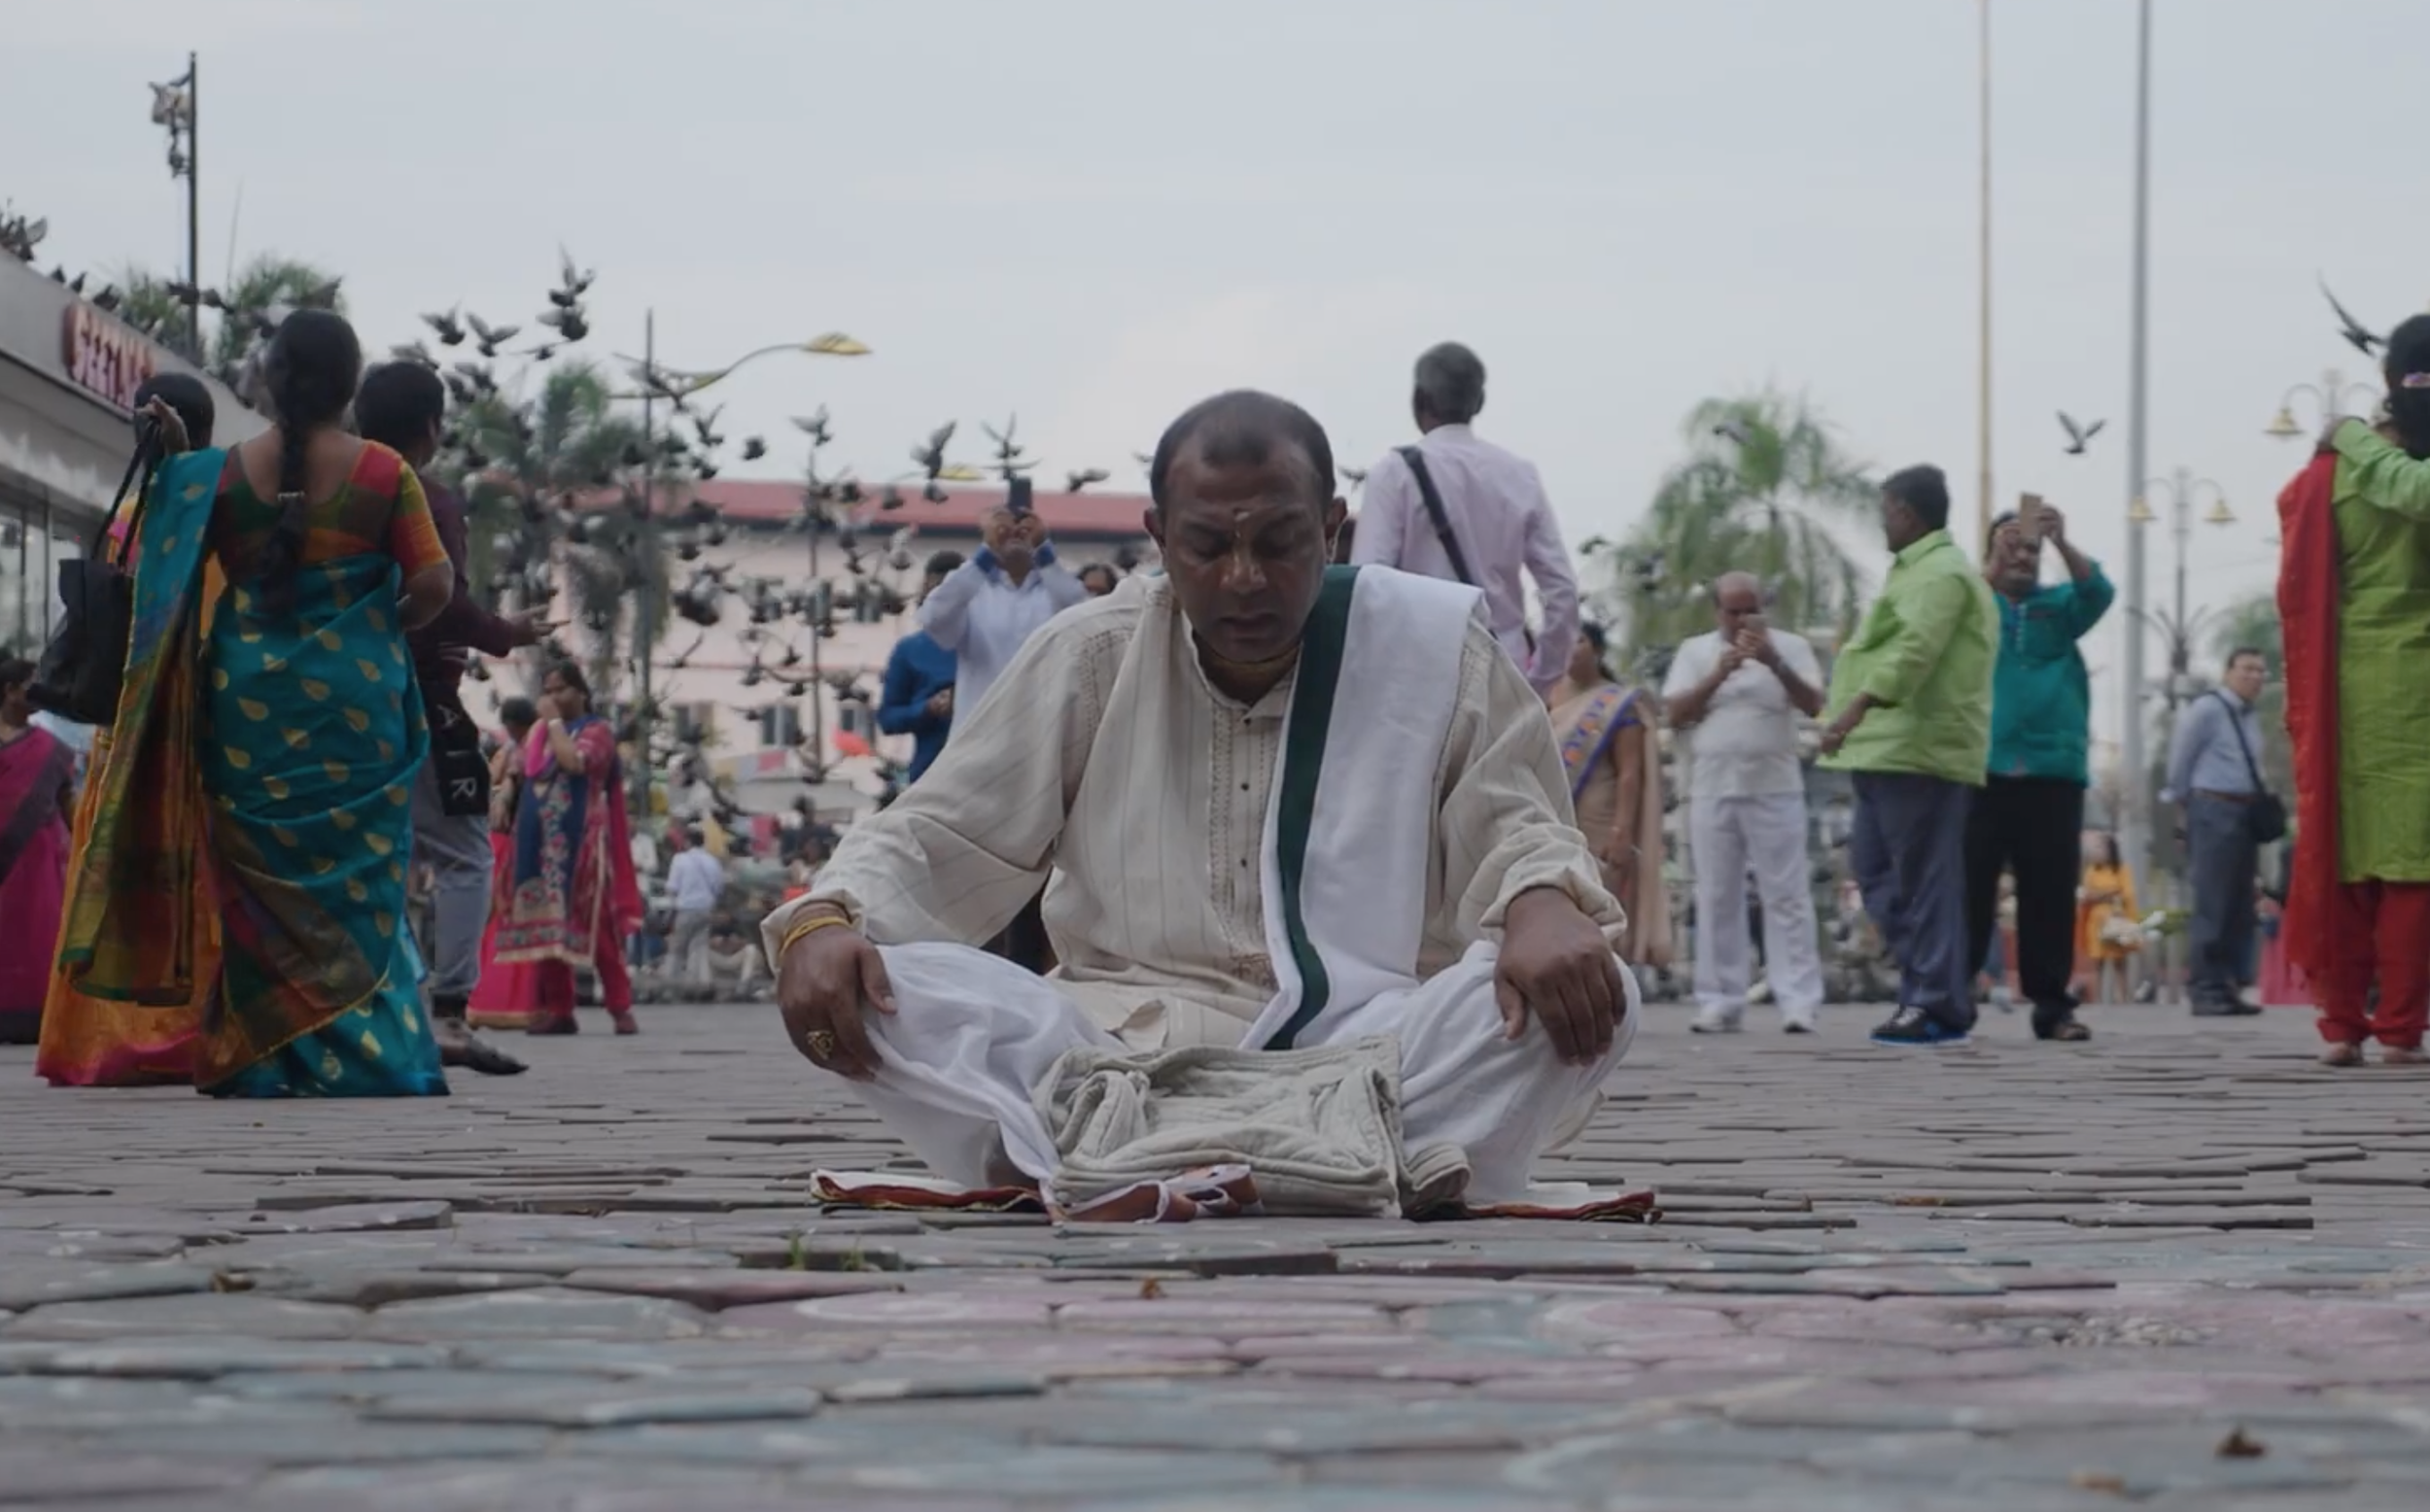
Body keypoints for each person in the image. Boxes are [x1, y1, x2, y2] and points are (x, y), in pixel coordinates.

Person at [765, 390, 1635, 1207]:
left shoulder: (1436, 652)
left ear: (1334, 532)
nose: (1245, 578)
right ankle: (1336, 1166)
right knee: (895, 996)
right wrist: (826, 920)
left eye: (1280, 543)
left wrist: (1541, 900)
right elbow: (941, 825)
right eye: (1210, 547)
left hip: (1370, 1052)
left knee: (1594, 992)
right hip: (1113, 1054)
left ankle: (1116, 1164)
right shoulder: (1090, 653)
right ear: (1160, 538)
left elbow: (1517, 825)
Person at [59, 310, 455, 1097]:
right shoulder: (384, 473)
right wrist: (378, 623)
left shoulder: (225, 475)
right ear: (350, 386)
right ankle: (374, 1054)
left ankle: (260, 1055)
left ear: (271, 382)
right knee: (360, 884)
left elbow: (167, 563)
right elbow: (435, 586)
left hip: (247, 708)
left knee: (253, 886)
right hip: (359, 706)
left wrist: (177, 460)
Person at [356, 361, 541, 1076]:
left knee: (379, 851)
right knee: (464, 854)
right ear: (433, 426)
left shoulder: (326, 494)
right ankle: (448, 1015)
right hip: (421, 697)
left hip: (332, 696)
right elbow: (442, 598)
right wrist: (504, 632)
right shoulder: (425, 499)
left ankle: (382, 1003)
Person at [36, 372, 220, 1086]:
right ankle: (194, 1028)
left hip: (130, 725)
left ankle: (106, 1036)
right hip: (205, 725)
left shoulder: (133, 518)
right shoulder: (226, 510)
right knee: (202, 869)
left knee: (117, 862)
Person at [2281, 314, 2430, 1067]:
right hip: (2420, 689)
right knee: (2412, 861)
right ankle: (2402, 1030)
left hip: (2346, 685)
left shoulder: (2330, 475)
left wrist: (2347, 436)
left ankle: (2341, 1025)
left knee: (2343, 850)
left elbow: (2295, 547)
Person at [1817, 464, 1997, 1048]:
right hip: (1886, 750)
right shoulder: (1916, 572)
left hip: (1919, 748)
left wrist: (1852, 710)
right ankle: (1934, 989)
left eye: (1885, 512)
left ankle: (1936, 1003)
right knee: (1875, 873)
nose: (1881, 524)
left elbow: (1916, 652)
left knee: (1922, 883)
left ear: (1906, 513)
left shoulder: (1940, 574)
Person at [1351, 342, 1579, 696]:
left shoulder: (1393, 474)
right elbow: (1562, 591)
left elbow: (1369, 586)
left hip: (1420, 676)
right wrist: (1541, 680)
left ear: (1419, 400)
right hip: (1504, 675)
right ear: (1479, 402)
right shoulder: (1520, 475)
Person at [1964, 506, 2112, 1043]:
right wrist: (1990, 565)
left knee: (2049, 892)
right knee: (1969, 888)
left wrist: (2063, 543)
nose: (2024, 559)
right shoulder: (1974, 602)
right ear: (1991, 553)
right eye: (2013, 548)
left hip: (2054, 768)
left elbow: (2100, 593)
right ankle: (1955, 1000)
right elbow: (1945, 607)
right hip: (1981, 765)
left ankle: (2053, 1007)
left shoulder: (2060, 606)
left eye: (2032, 551)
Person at [1662, 572, 1828, 1034]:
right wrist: (1721, 671)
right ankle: (1720, 1000)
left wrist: (1774, 662)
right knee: (1716, 894)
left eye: (1750, 609)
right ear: (1717, 612)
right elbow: (1675, 713)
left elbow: (1815, 704)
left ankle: (1797, 999)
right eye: (1732, 611)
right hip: (1712, 787)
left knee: (1787, 894)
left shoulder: (1791, 647)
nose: (1741, 619)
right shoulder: (1695, 652)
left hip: (1775, 785)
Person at [496, 661, 644, 1035]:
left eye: (560, 689)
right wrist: (505, 793)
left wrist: (553, 724)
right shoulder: (537, 735)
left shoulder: (597, 731)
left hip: (581, 844)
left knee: (598, 926)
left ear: (580, 691)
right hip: (537, 843)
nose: (552, 698)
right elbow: (517, 769)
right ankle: (560, 1009)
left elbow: (573, 763)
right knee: (544, 926)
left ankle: (619, 1007)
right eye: (547, 690)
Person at [1545, 624, 1670, 970]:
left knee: (1597, 901)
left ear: (1598, 650)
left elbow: (1630, 773)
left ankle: (1605, 985)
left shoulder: (1617, 704)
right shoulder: (1546, 695)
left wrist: (1622, 831)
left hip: (1600, 816)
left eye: (1580, 640)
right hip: (1556, 814)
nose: (1571, 648)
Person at [2162, 649, 2272, 1019]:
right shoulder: (2207, 710)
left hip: (2244, 812)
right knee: (2213, 902)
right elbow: (2180, 763)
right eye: (2247, 669)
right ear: (2227, 672)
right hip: (2212, 808)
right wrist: (2179, 817)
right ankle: (2205, 988)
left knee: (2240, 904)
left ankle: (2229, 987)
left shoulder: (2251, 716)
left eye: (2260, 670)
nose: (2255, 676)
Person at [0, 659, 75, 1045]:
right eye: (31, 684)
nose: (38, 691)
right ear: (10, 690)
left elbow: (68, 805)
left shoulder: (52, 749)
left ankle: (39, 1018)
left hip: (40, 860)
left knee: (39, 937)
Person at [469, 697, 539, 1025]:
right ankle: (512, 1001)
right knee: (511, 920)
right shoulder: (522, 751)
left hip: (506, 843)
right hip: (517, 843)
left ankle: (491, 999)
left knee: (497, 921)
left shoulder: (516, 752)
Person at [877, 550, 962, 783]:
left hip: (989, 776)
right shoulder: (910, 650)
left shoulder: (991, 647)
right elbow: (888, 718)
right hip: (931, 776)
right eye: (934, 592)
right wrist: (928, 708)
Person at [2076, 832, 2141, 1007]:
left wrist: (2105, 896)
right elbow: (2087, 894)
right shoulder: (2091, 871)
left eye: (2099, 848)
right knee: (2098, 959)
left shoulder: (2121, 869)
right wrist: (2107, 894)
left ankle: (2124, 996)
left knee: (2119, 959)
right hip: (2096, 920)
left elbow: (2126, 892)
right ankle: (2099, 997)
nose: (2095, 853)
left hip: (2116, 917)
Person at [666, 823, 723, 986]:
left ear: (687, 841)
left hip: (685, 909)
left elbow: (672, 888)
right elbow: (719, 887)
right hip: (705, 909)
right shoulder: (712, 861)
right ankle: (700, 983)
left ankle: (671, 983)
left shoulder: (680, 860)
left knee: (677, 948)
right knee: (699, 947)